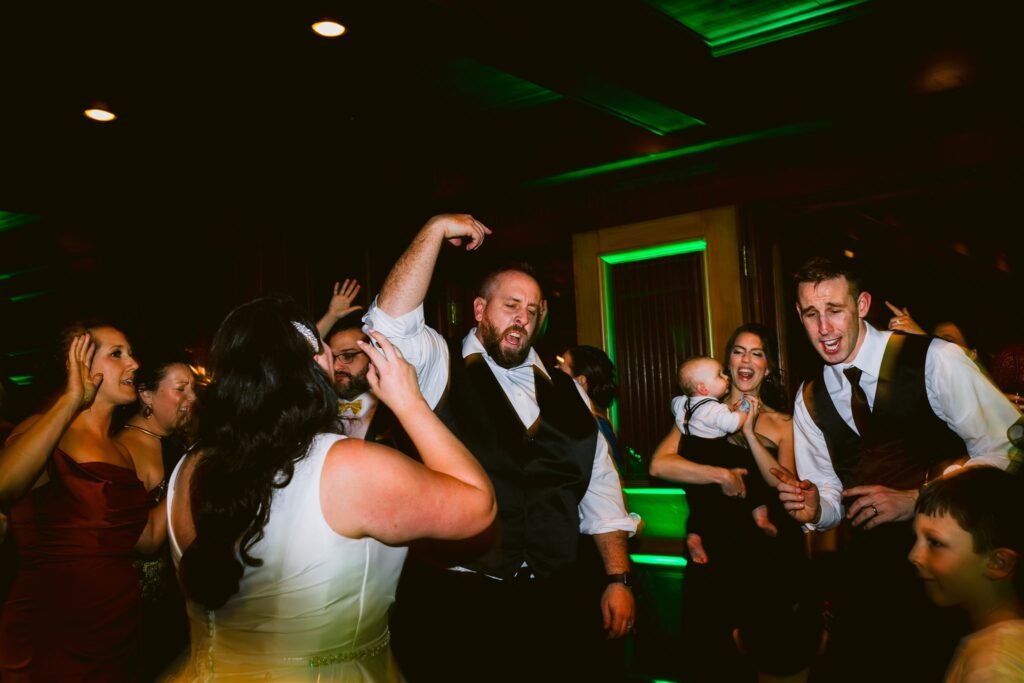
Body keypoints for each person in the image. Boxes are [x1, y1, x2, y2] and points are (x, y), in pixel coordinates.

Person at [364, 214, 638, 683]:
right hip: (458, 604)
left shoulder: (570, 394)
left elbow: (601, 492)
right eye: (511, 305)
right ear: (478, 309)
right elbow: (388, 324)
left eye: (533, 311)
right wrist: (432, 232)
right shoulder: (437, 364)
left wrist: (618, 579)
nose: (522, 319)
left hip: (555, 603)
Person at [166, 295, 495, 681]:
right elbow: (478, 506)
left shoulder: (190, 465)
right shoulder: (343, 466)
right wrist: (410, 402)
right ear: (317, 365)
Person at [776, 256, 1021, 682]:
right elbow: (831, 495)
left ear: (863, 304)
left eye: (835, 310)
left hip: (951, 579)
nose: (825, 329)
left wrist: (918, 498)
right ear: (799, 315)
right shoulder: (808, 399)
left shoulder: (934, 359)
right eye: (812, 314)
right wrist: (817, 508)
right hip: (868, 582)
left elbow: (1007, 447)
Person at [650, 323, 819, 683]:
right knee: (713, 661)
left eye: (757, 353)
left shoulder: (783, 422)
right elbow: (660, 464)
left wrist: (749, 433)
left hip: (767, 557)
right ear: (727, 363)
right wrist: (719, 475)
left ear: (767, 367)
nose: (747, 359)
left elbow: (783, 482)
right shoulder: (699, 415)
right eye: (739, 351)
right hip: (714, 550)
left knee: (769, 660)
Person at [0, 322, 166, 681]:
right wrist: (71, 400)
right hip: (54, 635)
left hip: (117, 634)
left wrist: (189, 472)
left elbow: (149, 537)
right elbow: (3, 486)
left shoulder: (122, 452)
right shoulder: (45, 430)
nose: (134, 363)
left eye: (131, 352)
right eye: (117, 354)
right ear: (81, 365)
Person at [113, 352, 197, 681]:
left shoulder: (169, 442)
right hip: (143, 606)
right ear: (147, 395)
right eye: (181, 389)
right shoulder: (126, 447)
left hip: (174, 595)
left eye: (193, 389)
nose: (192, 398)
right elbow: (144, 540)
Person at [909, 466, 1024, 682]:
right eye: (916, 539)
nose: (914, 556)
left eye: (934, 543)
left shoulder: (995, 667)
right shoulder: (989, 644)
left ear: (998, 563)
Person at [671, 355, 776, 565]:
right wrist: (743, 409)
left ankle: (694, 535)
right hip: (713, 451)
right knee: (748, 472)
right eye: (719, 375)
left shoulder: (681, 403)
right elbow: (732, 424)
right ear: (702, 388)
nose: (725, 377)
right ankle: (760, 515)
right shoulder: (714, 408)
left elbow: (676, 406)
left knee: (699, 501)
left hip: (690, 452)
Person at [558, 344, 625, 472]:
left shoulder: (592, 425)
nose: (555, 369)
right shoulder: (586, 420)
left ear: (580, 381)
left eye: (561, 367)